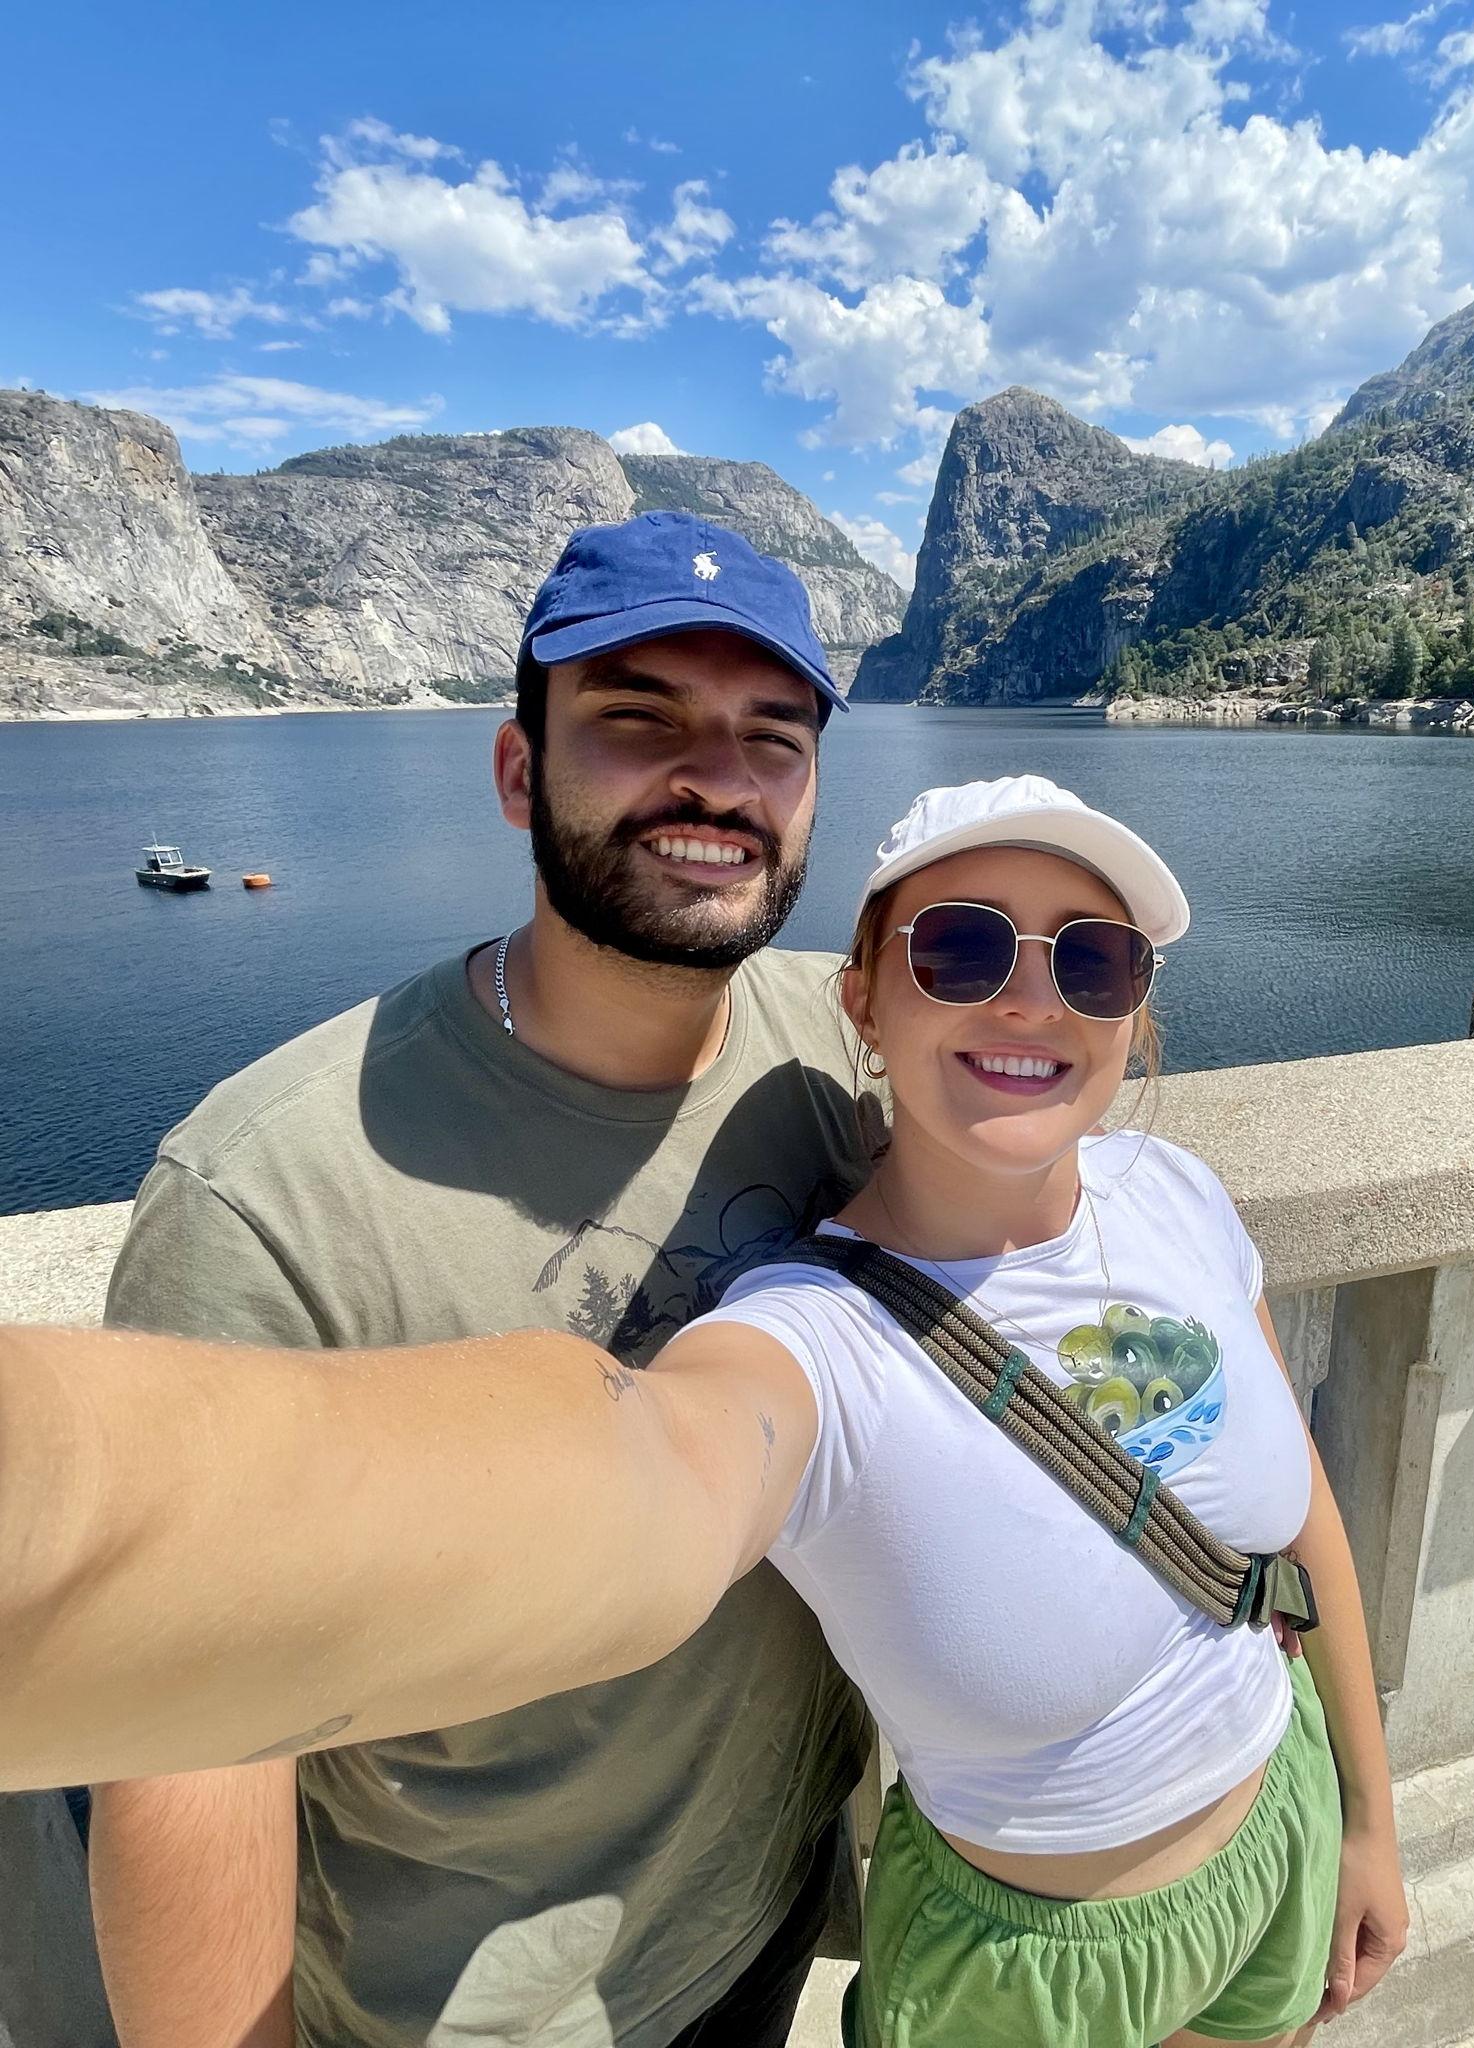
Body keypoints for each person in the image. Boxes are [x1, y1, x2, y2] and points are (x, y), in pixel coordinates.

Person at [6, 777, 1409, 2046]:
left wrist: (1365, 1817)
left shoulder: (1177, 1197)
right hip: (1032, 1975)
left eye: (1093, 961)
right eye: (961, 950)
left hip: (1277, 1821)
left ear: (1135, 1011)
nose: (1031, 1000)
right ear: (862, 1004)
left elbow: (1300, 1519)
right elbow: (646, 1469)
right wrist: (95, 1505)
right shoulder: (813, 1340)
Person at [87, 510, 881, 2048]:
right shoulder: (274, 1190)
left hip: (767, 1917)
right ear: (520, 772)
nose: (716, 780)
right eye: (639, 719)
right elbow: (187, 1750)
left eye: (771, 739)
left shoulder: (842, 1048)